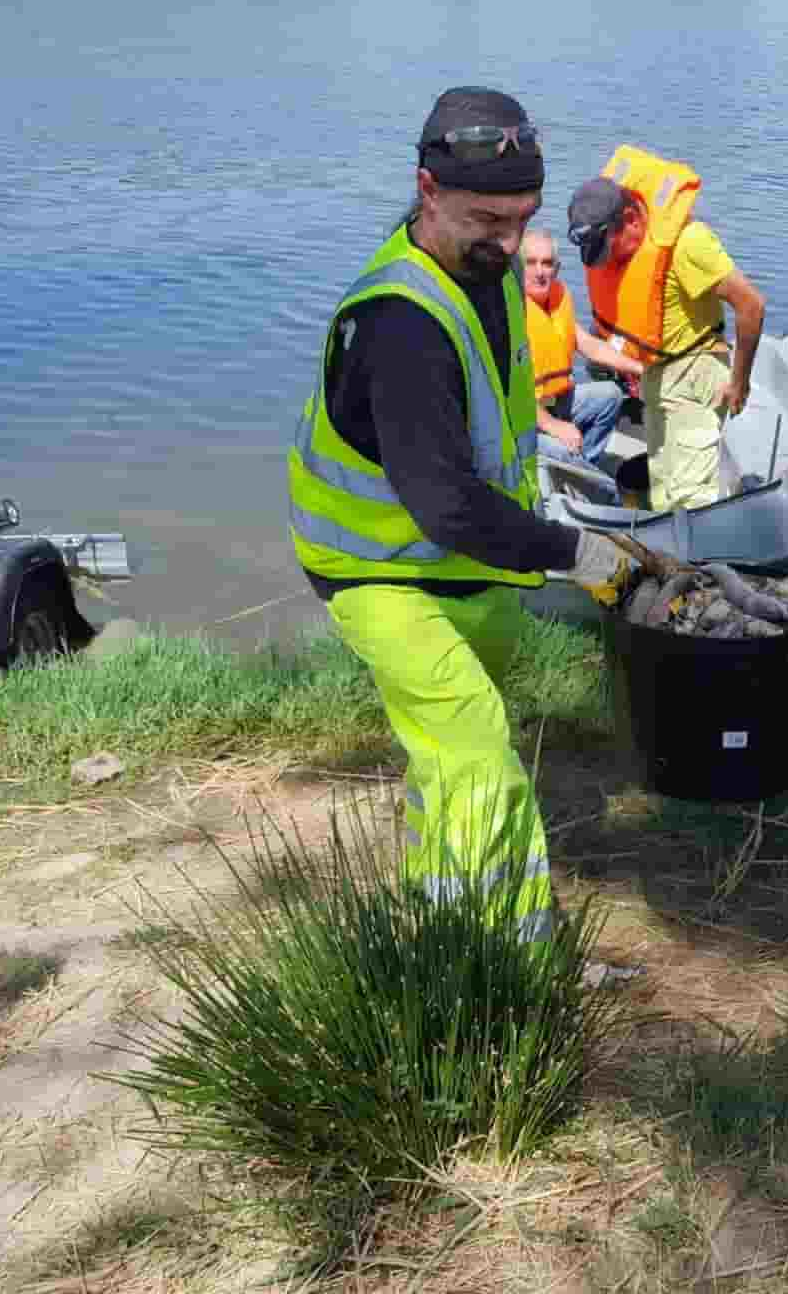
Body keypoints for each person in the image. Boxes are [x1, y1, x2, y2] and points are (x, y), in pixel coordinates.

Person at [286, 86, 640, 941]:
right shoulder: (400, 324)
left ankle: (439, 907)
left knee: (443, 758)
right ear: (427, 188)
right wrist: (579, 554)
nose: (510, 241)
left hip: (464, 563)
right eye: (489, 219)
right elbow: (444, 502)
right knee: (477, 747)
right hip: (376, 567)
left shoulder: (488, 267)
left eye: (523, 217)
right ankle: (512, 953)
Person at [566, 147, 767, 511]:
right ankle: (670, 558)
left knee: (690, 497)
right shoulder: (620, 248)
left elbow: (751, 306)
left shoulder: (689, 244)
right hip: (656, 376)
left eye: (608, 249)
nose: (607, 260)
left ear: (631, 219)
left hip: (696, 371)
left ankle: (701, 563)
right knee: (661, 482)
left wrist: (740, 382)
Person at [522, 227, 642, 471]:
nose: (539, 272)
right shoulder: (509, 312)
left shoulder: (556, 300)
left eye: (546, 263)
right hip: (525, 419)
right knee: (565, 449)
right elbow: (510, 397)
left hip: (556, 402)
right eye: (530, 262)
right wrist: (554, 427)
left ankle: (583, 470)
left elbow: (590, 345)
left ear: (556, 268)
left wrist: (639, 367)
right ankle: (582, 474)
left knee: (610, 395)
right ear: (517, 266)